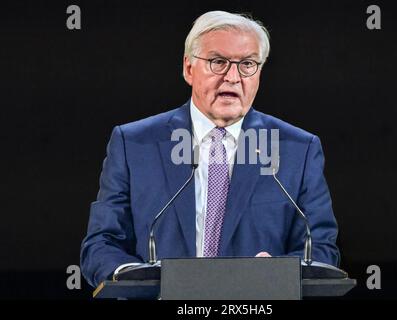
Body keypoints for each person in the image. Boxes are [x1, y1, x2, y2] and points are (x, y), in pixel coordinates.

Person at [80, 10, 340, 288]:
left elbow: (321, 249)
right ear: (189, 69)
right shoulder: (134, 144)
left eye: (248, 64)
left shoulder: (297, 150)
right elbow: (101, 244)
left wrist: (279, 273)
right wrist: (137, 278)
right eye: (218, 62)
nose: (233, 77)